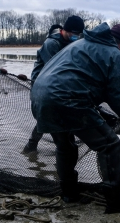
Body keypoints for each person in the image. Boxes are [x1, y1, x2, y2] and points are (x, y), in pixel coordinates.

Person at [30, 23, 120, 213]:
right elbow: (117, 97)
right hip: (66, 100)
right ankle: (115, 204)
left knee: (65, 147)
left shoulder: (80, 43)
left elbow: (82, 79)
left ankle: (69, 195)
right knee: (109, 144)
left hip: (40, 96)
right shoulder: (115, 54)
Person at [23, 15, 85, 154]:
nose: (76, 36)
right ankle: (37, 146)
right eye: (74, 33)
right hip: (42, 84)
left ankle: (32, 147)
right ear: (64, 30)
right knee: (47, 115)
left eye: (78, 34)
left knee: (50, 116)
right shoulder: (52, 44)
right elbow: (56, 69)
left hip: (58, 84)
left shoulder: (70, 43)